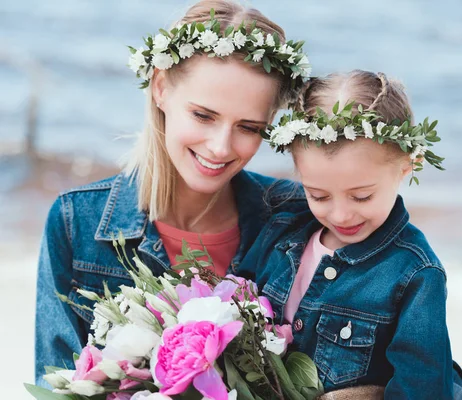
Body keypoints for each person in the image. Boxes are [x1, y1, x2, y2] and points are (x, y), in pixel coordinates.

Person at [34, 0, 310, 385]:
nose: (219, 147)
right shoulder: (76, 223)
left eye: (248, 127)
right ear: (160, 87)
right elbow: (57, 384)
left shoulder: (299, 217)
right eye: (203, 115)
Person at [235, 70, 462, 399]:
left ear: (407, 166)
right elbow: (231, 309)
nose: (340, 214)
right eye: (318, 195)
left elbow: (422, 388)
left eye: (361, 196)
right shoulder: (281, 231)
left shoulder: (414, 275)